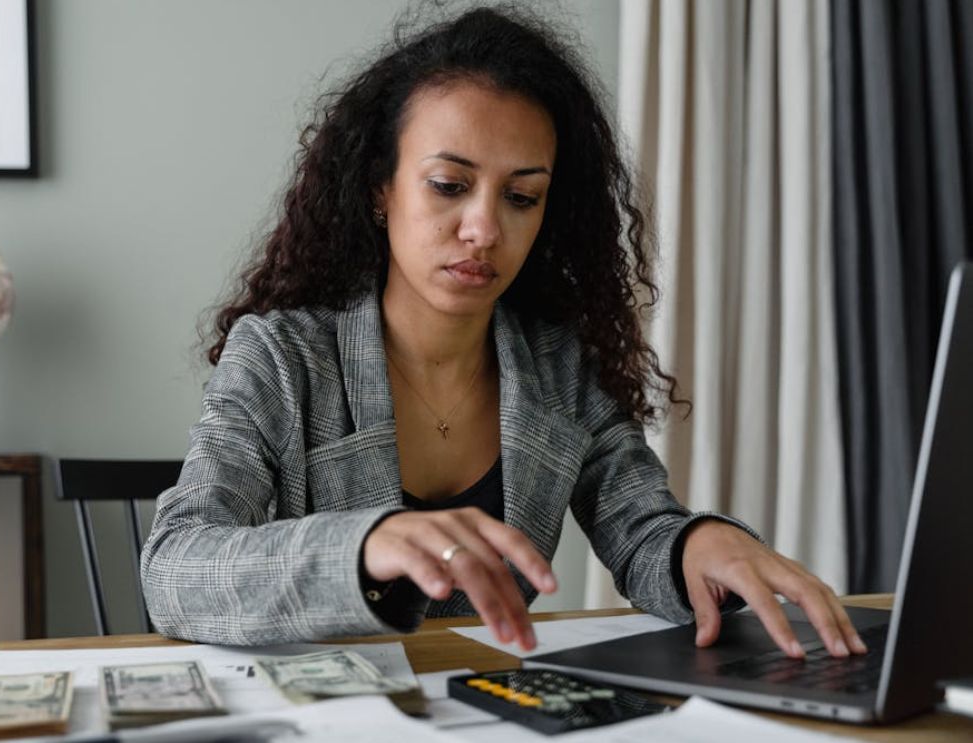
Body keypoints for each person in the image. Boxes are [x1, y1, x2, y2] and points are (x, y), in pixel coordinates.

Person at [140, 5, 865, 660]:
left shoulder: (555, 366)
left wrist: (699, 541)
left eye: (521, 196)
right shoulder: (282, 357)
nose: (484, 228)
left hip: (491, 709)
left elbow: (641, 530)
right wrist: (364, 545)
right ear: (379, 189)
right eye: (449, 185)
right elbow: (174, 566)